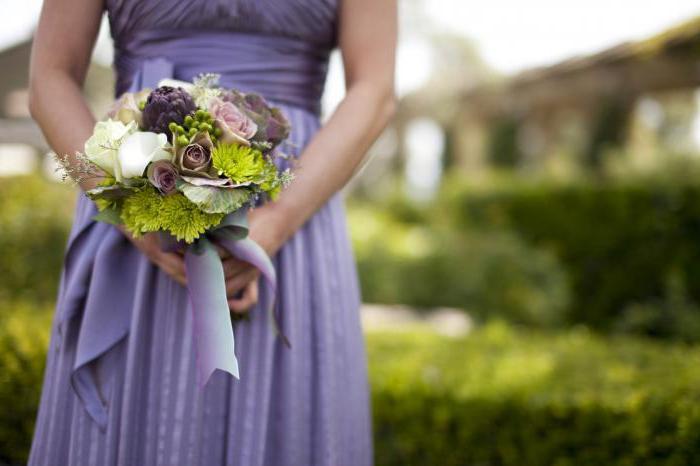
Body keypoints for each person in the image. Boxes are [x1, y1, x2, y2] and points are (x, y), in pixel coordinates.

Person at [27, 0, 396, 464]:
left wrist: (278, 222)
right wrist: (132, 216)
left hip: (295, 216)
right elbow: (49, 79)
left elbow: (375, 88)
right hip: (137, 197)